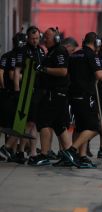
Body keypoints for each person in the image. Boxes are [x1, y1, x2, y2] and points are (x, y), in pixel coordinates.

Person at [62, 32, 102, 168]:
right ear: (97, 43)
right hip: (86, 95)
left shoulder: (74, 55)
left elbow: (67, 74)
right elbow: (100, 74)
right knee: (94, 127)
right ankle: (71, 151)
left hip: (73, 95)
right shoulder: (92, 55)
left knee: (80, 127)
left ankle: (82, 156)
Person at [28, 27, 72, 166]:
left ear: (56, 39)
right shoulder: (51, 52)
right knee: (59, 125)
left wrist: (43, 69)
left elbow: (63, 71)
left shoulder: (59, 51)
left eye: (47, 37)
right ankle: (69, 155)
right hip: (54, 94)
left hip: (55, 94)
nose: (43, 39)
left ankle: (44, 155)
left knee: (44, 122)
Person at [0, 32, 26, 162]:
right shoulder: (19, 56)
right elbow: (10, 75)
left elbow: (1, 73)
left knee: (9, 124)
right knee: (15, 124)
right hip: (15, 93)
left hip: (7, 93)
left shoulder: (6, 55)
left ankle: (10, 150)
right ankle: (13, 151)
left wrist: (3, 88)